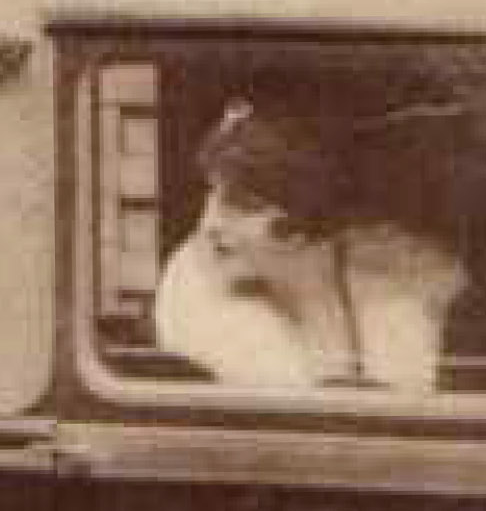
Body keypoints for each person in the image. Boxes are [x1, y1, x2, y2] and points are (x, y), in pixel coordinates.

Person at [151, 98, 468, 394]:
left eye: (242, 205)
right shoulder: (199, 283)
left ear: (303, 229)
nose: (208, 224)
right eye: (212, 194)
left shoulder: (397, 290)